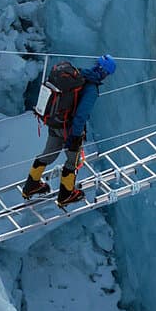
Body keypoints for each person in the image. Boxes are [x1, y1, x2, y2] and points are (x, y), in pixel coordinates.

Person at [23, 54, 116, 205]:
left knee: (48, 154)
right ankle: (66, 195)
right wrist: (75, 136)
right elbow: (81, 115)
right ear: (105, 73)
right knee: (73, 161)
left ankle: (31, 186)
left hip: (55, 122)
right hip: (69, 128)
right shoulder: (91, 89)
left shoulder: (78, 75)